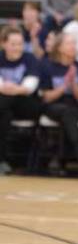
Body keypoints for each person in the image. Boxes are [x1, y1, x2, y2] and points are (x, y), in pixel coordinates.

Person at [40, 33, 78, 173]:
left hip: (76, 106)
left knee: (69, 114)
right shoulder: (48, 66)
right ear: (60, 47)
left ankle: (61, 158)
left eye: (74, 43)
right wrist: (65, 84)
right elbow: (46, 97)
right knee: (67, 113)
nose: (73, 47)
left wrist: (73, 82)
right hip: (54, 105)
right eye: (69, 43)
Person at [0, 27, 41, 176]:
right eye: (13, 44)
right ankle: (2, 160)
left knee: (4, 103)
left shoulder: (30, 58)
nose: (17, 47)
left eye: (20, 44)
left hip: (26, 104)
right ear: (3, 43)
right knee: (4, 115)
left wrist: (12, 88)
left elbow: (30, 87)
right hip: (5, 105)